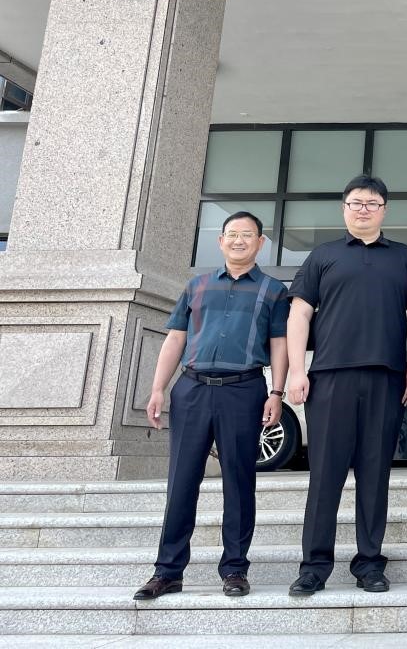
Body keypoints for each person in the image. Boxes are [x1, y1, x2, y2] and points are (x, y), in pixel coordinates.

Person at [133, 211, 289, 601]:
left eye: (247, 235)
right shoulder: (197, 286)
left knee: (239, 482)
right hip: (192, 389)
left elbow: (279, 344)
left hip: (243, 390)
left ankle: (235, 568)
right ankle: (167, 571)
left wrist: (277, 392)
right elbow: (175, 339)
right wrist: (157, 388)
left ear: (260, 243)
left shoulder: (273, 291)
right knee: (181, 482)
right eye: (232, 234)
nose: (239, 240)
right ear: (220, 241)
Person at [286, 175, 407, 596]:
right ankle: (314, 566)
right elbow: (299, 314)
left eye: (372, 203)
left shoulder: (403, 257)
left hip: (386, 377)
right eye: (356, 202)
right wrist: (296, 370)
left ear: (384, 210)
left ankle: (369, 563)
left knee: (375, 474)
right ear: (344, 208)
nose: (364, 209)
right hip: (330, 377)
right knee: (324, 476)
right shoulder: (323, 255)